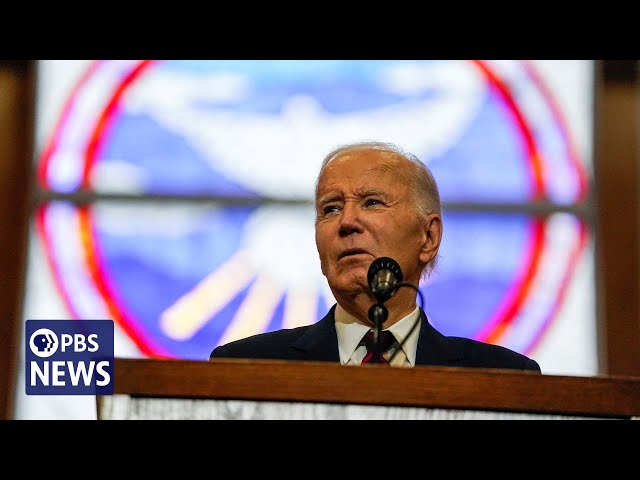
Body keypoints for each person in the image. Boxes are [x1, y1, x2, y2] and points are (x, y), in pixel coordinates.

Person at [209, 141, 541, 372]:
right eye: (331, 208)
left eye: (372, 203)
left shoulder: (501, 376)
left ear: (428, 237)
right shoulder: (249, 367)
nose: (347, 222)